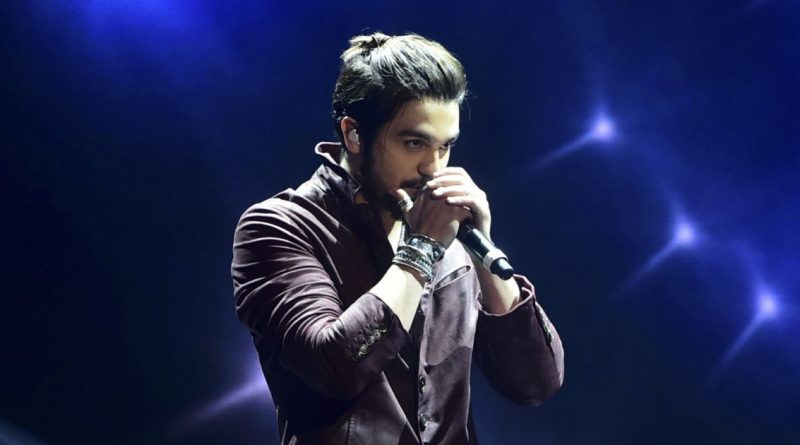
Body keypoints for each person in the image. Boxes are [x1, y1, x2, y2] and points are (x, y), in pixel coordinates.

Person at [231, 32, 564, 445]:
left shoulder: (451, 235)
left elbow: (535, 384)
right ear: (353, 134)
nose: (433, 168)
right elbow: (333, 369)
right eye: (414, 143)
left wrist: (483, 249)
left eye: (445, 147)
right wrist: (420, 251)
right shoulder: (279, 227)